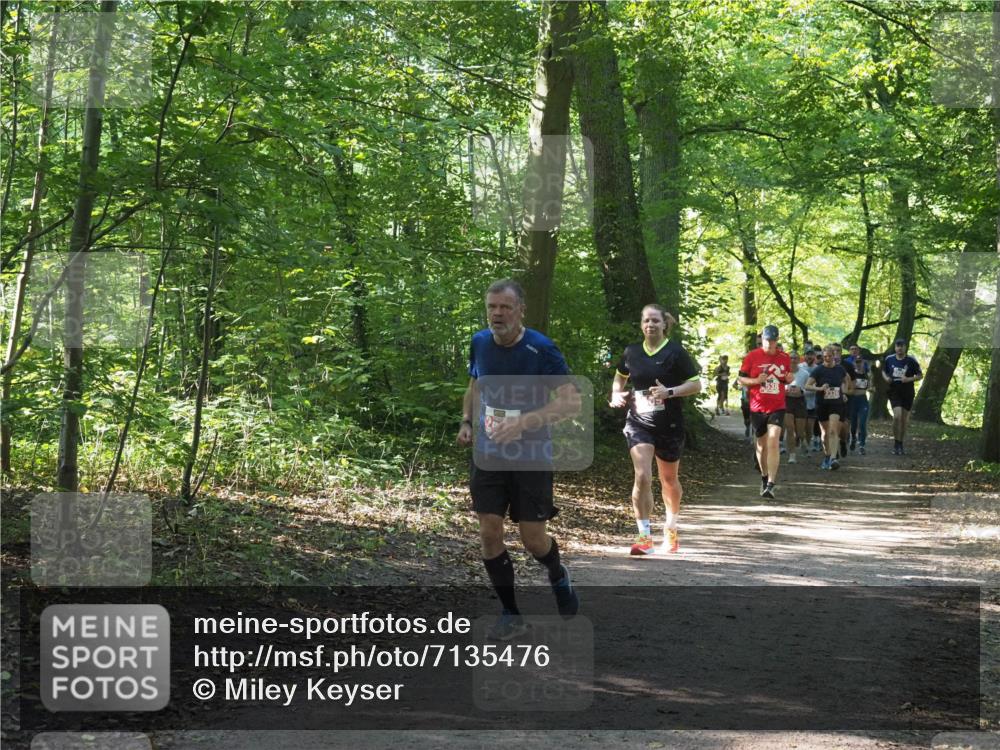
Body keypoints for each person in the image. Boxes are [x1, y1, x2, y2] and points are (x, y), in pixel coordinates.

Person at [457, 279, 581, 640]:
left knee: (532, 540)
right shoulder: (480, 342)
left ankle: (556, 572)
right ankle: (511, 613)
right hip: (489, 453)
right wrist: (467, 421)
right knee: (488, 532)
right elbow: (475, 386)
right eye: (492, 307)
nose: (497, 313)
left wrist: (523, 423)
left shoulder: (542, 350)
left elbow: (570, 402)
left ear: (520, 310)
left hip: (531, 455)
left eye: (505, 307)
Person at [610, 305, 701, 555]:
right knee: (642, 476)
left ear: (664, 325)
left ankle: (670, 527)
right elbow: (620, 376)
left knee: (669, 480)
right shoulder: (632, 352)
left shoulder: (675, 353)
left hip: (669, 425)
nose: (650, 324)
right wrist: (616, 393)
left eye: (655, 321)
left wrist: (669, 392)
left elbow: (696, 384)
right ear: (641, 325)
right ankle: (644, 537)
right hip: (639, 422)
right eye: (646, 321)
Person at [738, 325, 794, 499]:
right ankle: (763, 477)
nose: (770, 344)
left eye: (773, 340)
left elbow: (786, 377)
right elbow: (740, 378)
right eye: (767, 340)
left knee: (773, 440)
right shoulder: (752, 356)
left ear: (777, 340)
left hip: (777, 406)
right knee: (761, 445)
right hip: (757, 407)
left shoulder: (784, 357)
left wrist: (788, 378)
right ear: (762, 339)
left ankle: (771, 483)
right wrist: (756, 380)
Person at [805, 345, 852, 470]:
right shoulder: (818, 370)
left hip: (836, 404)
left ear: (834, 356)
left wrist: (844, 393)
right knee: (825, 433)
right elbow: (807, 386)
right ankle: (827, 455)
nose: (827, 358)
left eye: (830, 356)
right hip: (822, 404)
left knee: (833, 430)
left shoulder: (840, 369)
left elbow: (846, 380)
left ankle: (833, 458)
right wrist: (819, 388)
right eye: (825, 356)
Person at [881, 338, 923, 455]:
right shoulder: (889, 359)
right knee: (897, 416)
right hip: (894, 391)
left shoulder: (911, 360)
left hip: (908, 392)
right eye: (898, 346)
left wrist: (908, 379)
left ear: (905, 347)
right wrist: (887, 378)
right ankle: (895, 442)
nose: (899, 348)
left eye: (902, 346)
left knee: (904, 420)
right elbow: (883, 371)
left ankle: (900, 443)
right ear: (895, 348)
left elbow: (920, 375)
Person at [846, 343, 871, 454]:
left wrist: (871, 388)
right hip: (852, 400)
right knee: (854, 423)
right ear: (853, 364)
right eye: (857, 362)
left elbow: (871, 386)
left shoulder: (867, 374)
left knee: (862, 422)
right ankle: (853, 438)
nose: (859, 364)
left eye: (860, 362)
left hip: (863, 400)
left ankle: (862, 444)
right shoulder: (850, 375)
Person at [784, 350, 808, 463]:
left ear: (799, 360)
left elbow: (809, 389)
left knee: (799, 431)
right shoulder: (783, 373)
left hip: (800, 402)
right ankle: (792, 455)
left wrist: (801, 392)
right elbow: (778, 387)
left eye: (795, 358)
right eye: (791, 358)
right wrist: (785, 391)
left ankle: (801, 439)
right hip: (787, 401)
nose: (793, 360)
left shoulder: (805, 374)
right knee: (789, 428)